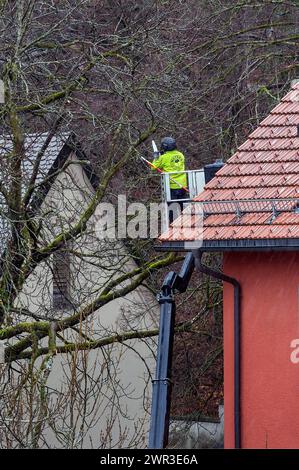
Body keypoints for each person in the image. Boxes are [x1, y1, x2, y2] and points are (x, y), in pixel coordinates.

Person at [151, 137, 188, 223]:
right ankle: (186, 222)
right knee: (184, 207)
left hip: (171, 186)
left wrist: (156, 157)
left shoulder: (163, 157)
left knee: (172, 209)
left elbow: (153, 167)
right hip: (182, 185)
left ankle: (173, 226)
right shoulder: (180, 155)